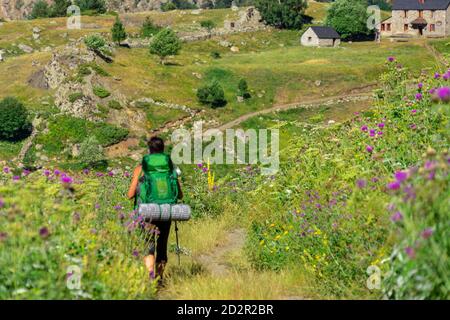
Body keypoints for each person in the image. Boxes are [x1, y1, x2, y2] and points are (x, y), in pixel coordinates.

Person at [127, 136, 183, 282]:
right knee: (162, 245)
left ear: (149, 150)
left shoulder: (140, 169)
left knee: (149, 247)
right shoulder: (170, 169)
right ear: (163, 150)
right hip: (165, 212)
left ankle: (150, 279)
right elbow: (180, 194)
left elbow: (130, 195)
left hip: (147, 213)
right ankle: (160, 281)